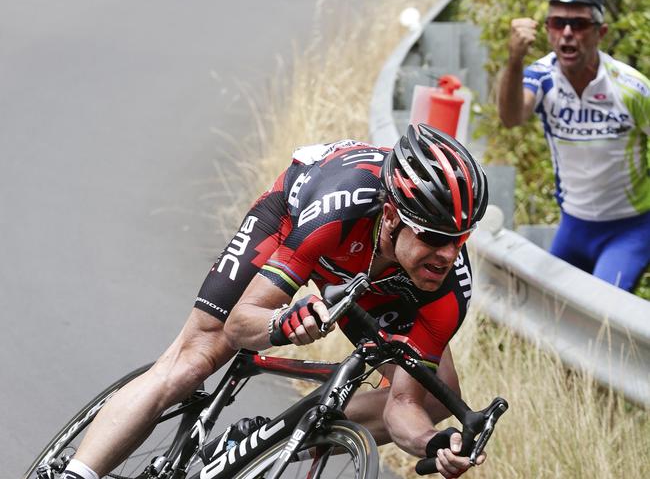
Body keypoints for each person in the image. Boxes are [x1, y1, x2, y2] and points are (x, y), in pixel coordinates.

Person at [62, 123, 489, 479]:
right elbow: (240, 323)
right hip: (292, 218)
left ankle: (265, 440)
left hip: (380, 275)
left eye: (460, 239)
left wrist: (434, 443)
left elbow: (405, 406)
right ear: (393, 216)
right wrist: (284, 322)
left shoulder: (447, 287)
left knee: (435, 396)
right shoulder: (336, 211)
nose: (448, 254)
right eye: (433, 237)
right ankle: (75, 473)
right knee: (197, 355)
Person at [498, 0, 650, 292]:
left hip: (629, 228)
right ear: (547, 29)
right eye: (557, 22)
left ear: (600, 33)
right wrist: (515, 59)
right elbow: (512, 117)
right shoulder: (542, 77)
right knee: (550, 311)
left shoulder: (630, 88)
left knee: (605, 310)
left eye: (578, 24)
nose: (567, 33)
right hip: (574, 226)